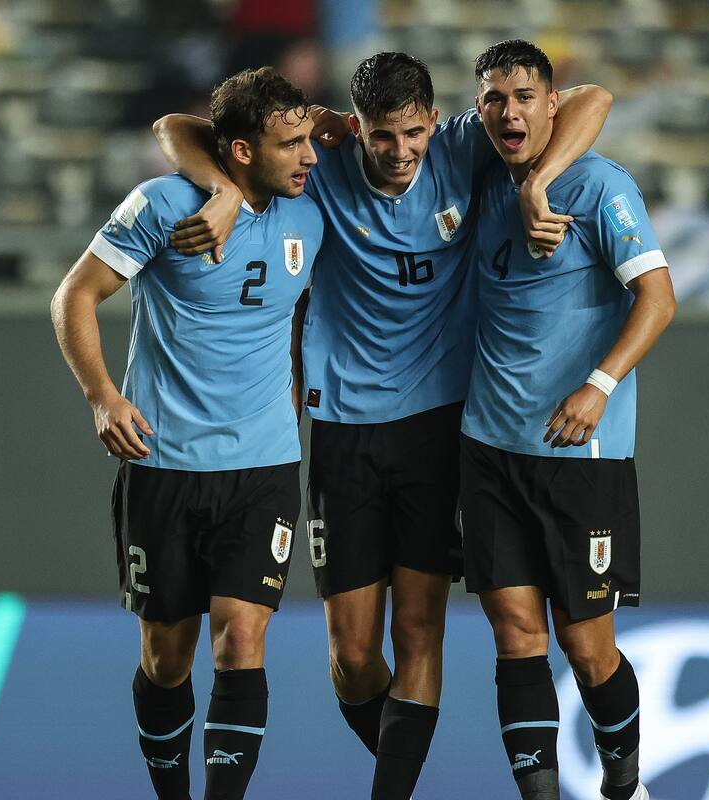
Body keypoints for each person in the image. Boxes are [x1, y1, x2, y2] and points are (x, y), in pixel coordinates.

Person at [152, 52, 612, 800]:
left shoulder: (463, 145)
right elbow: (176, 126)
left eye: (411, 135)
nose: (399, 154)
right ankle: (406, 765)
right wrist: (219, 189)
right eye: (380, 137)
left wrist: (541, 180)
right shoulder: (321, 159)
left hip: (437, 424)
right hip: (343, 428)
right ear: (353, 128)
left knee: (420, 630)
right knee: (352, 653)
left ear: (435, 121)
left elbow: (593, 97)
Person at [50, 67, 323, 800]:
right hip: (164, 461)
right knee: (168, 659)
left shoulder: (313, 203)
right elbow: (74, 294)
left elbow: (183, 126)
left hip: (263, 463)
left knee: (243, 639)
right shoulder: (166, 205)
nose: (309, 156)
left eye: (308, 139)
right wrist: (103, 397)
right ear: (238, 151)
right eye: (290, 144)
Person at [459, 40, 677, 800]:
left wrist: (599, 384)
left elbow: (660, 298)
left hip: (580, 457)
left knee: (588, 650)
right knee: (516, 639)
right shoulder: (485, 177)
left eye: (524, 96)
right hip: (488, 449)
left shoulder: (598, 184)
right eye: (493, 98)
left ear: (552, 104)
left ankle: (624, 785)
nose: (508, 110)